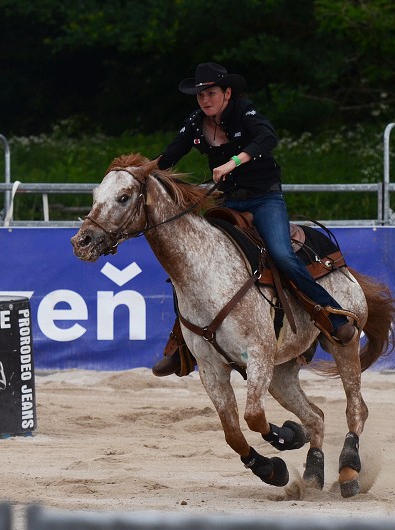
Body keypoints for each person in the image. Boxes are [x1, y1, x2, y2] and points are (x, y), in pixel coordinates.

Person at [152, 62, 357, 377]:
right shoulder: (195, 122)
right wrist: (138, 173)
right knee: (191, 265)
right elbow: (169, 156)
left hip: (264, 199)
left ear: (227, 93)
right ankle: (181, 348)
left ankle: (332, 317)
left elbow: (267, 138)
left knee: (282, 255)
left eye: (211, 93)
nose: (205, 99)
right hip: (227, 203)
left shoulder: (244, 112)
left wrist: (233, 162)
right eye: (200, 95)